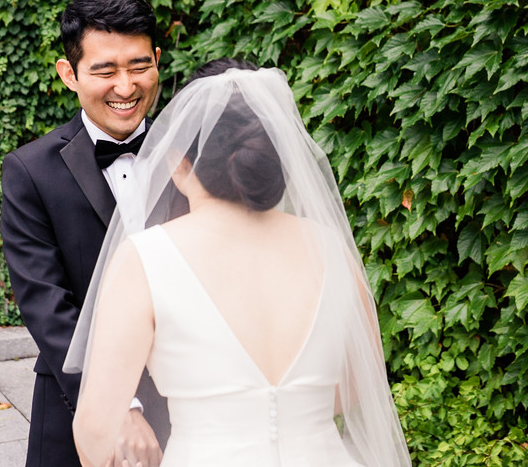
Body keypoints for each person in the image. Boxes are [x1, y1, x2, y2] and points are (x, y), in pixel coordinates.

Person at [67, 60, 412, 467]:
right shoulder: (329, 246)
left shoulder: (146, 257)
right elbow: (357, 383)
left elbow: (96, 427)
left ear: (178, 162)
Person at [1, 0, 169, 467]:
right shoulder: (29, 171)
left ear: (157, 60)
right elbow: (47, 308)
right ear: (69, 74)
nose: (125, 86)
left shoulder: (188, 155)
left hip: (190, 408)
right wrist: (118, 406)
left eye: (139, 66)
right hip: (79, 408)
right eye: (104, 70)